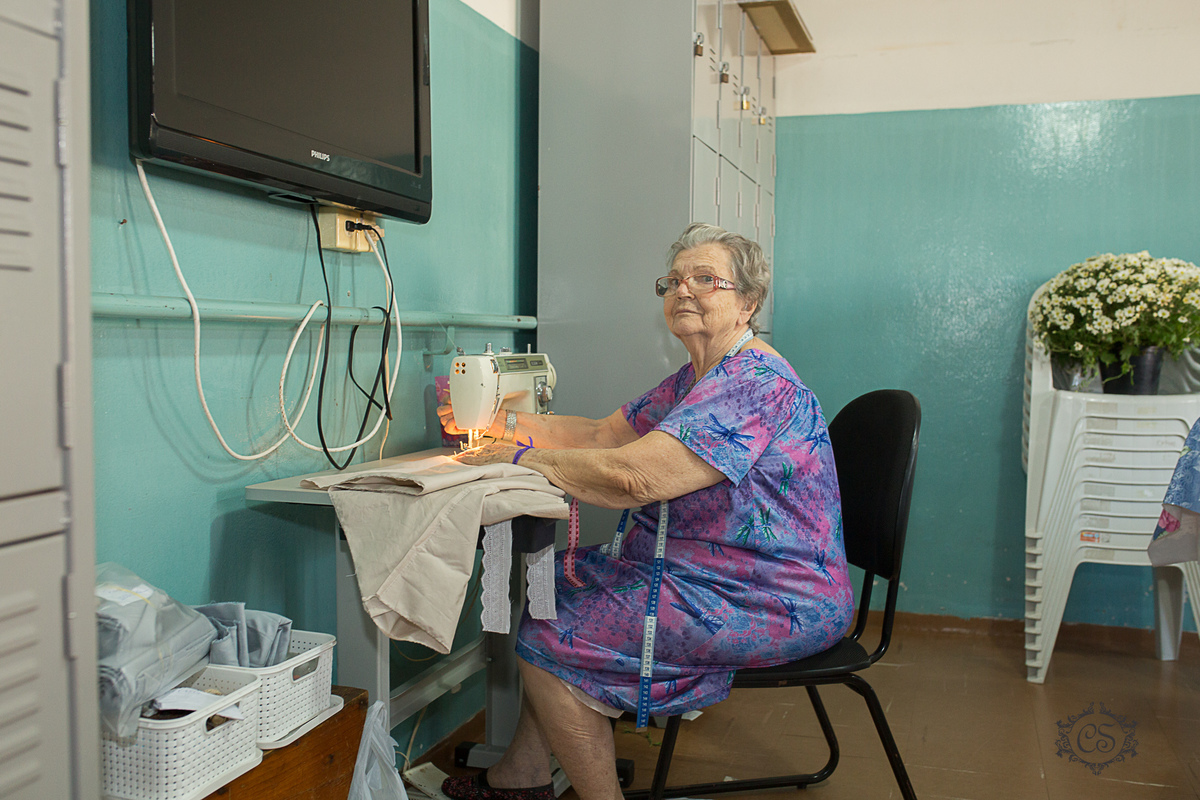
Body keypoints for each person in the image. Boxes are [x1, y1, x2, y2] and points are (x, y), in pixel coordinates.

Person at [436, 223, 854, 800]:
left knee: (551, 627)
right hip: (716, 574)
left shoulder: (753, 382)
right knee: (550, 584)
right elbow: (603, 435)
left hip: (772, 596)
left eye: (705, 279)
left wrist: (521, 456)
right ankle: (523, 777)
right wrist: (493, 423)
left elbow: (634, 477)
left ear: (748, 302)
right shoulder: (697, 378)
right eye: (673, 281)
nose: (683, 290)